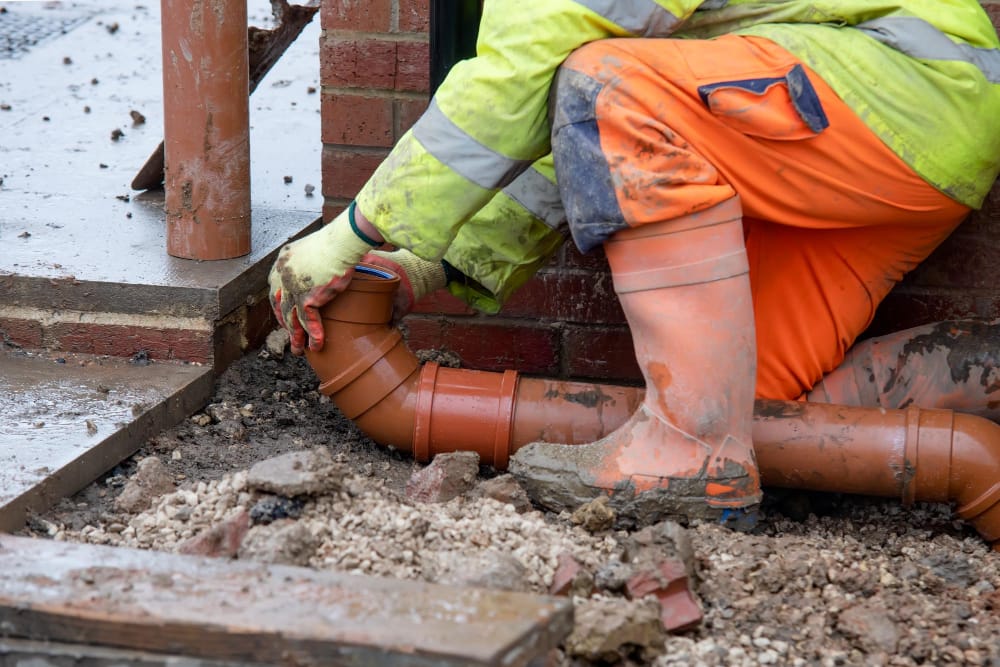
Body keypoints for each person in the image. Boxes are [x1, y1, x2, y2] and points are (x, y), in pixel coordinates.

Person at [269, 0, 1000, 525]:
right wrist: (429, 264)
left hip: (903, 87)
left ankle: (687, 449)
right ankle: (973, 380)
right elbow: (573, 139)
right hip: (904, 132)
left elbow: (542, 94)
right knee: (752, 402)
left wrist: (356, 232)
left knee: (610, 85)